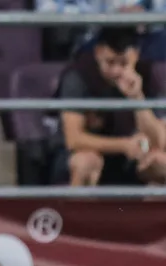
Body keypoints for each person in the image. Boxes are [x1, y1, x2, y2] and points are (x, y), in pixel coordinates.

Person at [49, 26, 166, 187]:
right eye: (110, 62)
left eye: (123, 63)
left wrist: (137, 98)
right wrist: (124, 145)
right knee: (86, 161)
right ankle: (78, 204)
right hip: (85, 153)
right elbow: (73, 139)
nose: (116, 71)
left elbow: (159, 140)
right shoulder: (79, 76)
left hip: (129, 158)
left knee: (160, 162)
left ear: (135, 55)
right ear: (98, 52)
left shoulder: (146, 75)